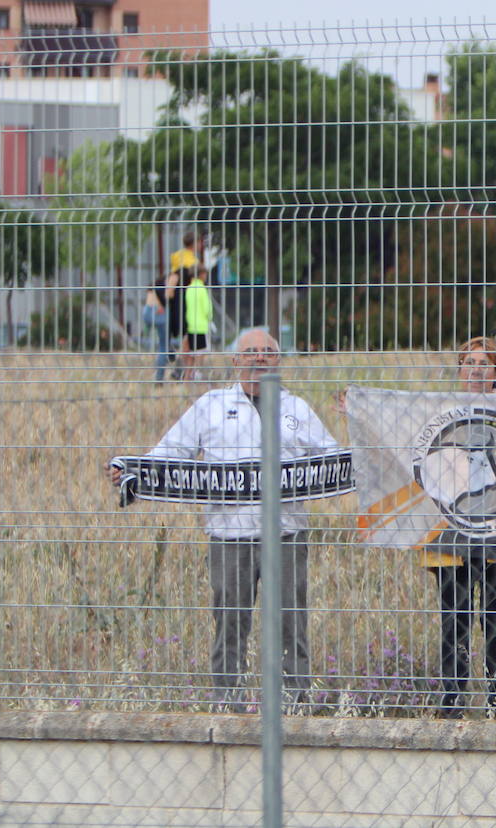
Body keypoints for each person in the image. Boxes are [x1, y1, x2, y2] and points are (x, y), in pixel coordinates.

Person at [109, 328, 339, 709]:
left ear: (279, 361)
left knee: (290, 623)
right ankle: (228, 703)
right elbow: (170, 453)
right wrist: (131, 470)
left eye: (268, 351)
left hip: (287, 534)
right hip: (229, 536)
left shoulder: (297, 409)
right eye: (250, 351)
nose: (260, 358)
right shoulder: (210, 406)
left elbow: (333, 458)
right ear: (235, 361)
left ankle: (295, 704)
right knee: (230, 623)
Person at [419, 337, 496, 719]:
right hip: (451, 532)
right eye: (469, 361)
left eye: (485, 362)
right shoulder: (438, 411)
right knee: (454, 619)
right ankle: (453, 700)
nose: (476, 369)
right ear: (459, 369)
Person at [181, 266, 213, 381]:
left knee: (192, 353)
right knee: (201, 353)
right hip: (201, 326)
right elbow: (207, 308)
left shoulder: (189, 289)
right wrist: (210, 318)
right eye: (205, 274)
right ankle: (197, 374)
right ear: (200, 274)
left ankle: (188, 376)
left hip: (190, 325)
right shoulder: (201, 288)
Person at [142, 278, 173, 383]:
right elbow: (167, 297)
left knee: (160, 343)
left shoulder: (152, 287)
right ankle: (159, 377)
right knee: (164, 345)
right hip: (158, 311)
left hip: (146, 311)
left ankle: (169, 353)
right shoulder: (166, 285)